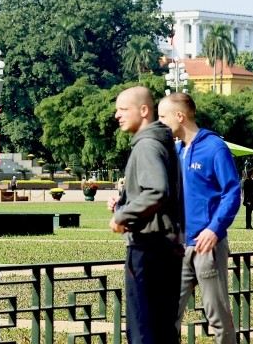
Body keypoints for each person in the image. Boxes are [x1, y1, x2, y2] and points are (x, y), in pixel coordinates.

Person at [159, 93, 240, 344]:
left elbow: (232, 193)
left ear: (179, 116)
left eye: (163, 117)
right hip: (178, 247)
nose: (160, 123)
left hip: (207, 246)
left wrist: (214, 229)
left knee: (217, 315)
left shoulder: (214, 147)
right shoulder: (175, 151)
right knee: (165, 315)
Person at [108, 86, 185, 344]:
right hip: (167, 247)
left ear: (143, 110)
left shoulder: (146, 145)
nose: (117, 115)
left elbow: (157, 191)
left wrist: (122, 217)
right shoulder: (161, 142)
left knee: (143, 331)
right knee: (163, 331)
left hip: (148, 247)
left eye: (123, 109)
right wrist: (123, 203)